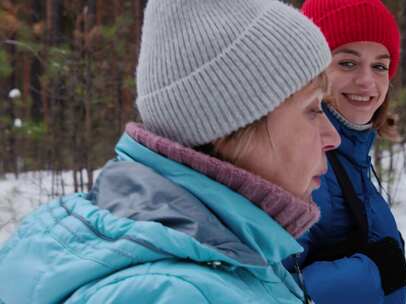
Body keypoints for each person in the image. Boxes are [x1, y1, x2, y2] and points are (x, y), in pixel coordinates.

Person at [0, 0, 340, 303]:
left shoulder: (227, 252)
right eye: (312, 109)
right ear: (227, 125)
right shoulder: (175, 293)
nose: (332, 137)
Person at [283, 0, 406, 303]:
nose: (367, 81)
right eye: (347, 63)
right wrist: (376, 272)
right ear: (311, 71)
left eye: (380, 66)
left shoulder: (351, 156)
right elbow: (272, 287)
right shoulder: (300, 167)